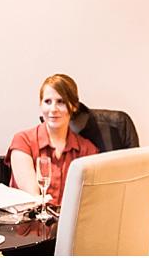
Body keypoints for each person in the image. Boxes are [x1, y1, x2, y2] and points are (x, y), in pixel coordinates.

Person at [6, 74, 98, 206]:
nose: (53, 109)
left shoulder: (88, 150)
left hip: (71, 225)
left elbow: (89, 202)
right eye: (47, 102)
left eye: (60, 102)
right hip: (30, 224)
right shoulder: (23, 141)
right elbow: (36, 201)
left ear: (74, 106)